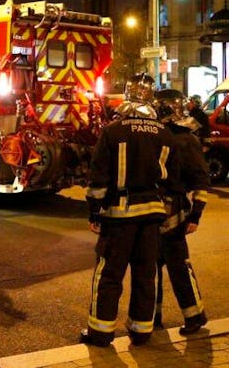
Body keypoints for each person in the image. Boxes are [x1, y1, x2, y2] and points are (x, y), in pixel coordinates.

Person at [81, 73, 178, 348]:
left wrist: (94, 212)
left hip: (119, 216)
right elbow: (173, 180)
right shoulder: (164, 133)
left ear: (127, 94)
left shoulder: (114, 131)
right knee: (145, 274)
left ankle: (100, 333)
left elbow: (98, 177)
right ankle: (141, 331)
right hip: (152, 217)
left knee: (109, 274)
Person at [153, 89, 210, 335]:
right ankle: (153, 317)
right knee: (152, 266)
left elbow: (200, 180)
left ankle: (195, 315)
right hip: (157, 210)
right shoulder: (160, 134)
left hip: (173, 213)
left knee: (177, 266)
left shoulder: (185, 139)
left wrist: (195, 215)